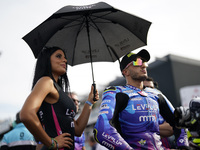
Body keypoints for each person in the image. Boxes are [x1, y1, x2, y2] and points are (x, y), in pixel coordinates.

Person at [94, 49, 189, 149]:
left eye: (144, 62)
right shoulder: (115, 93)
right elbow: (102, 130)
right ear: (125, 71)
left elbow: (179, 121)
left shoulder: (155, 93)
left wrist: (183, 145)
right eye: (137, 62)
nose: (143, 65)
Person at [20, 46, 99, 150]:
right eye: (58, 56)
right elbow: (26, 114)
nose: (65, 60)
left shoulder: (58, 89)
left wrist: (89, 102)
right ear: (47, 60)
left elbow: (78, 130)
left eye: (65, 57)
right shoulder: (46, 81)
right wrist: (52, 143)